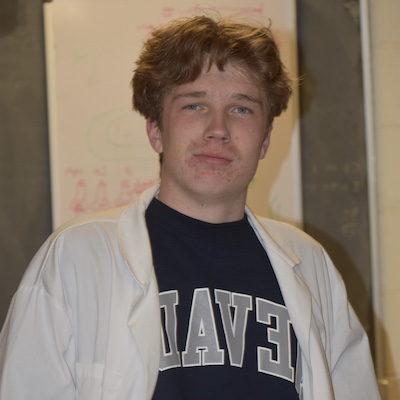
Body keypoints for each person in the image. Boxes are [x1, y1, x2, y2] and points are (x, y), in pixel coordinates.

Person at [0, 14, 380, 400]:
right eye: (194, 106)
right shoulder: (76, 258)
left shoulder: (310, 264)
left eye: (242, 109)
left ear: (265, 139)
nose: (218, 128)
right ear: (155, 130)